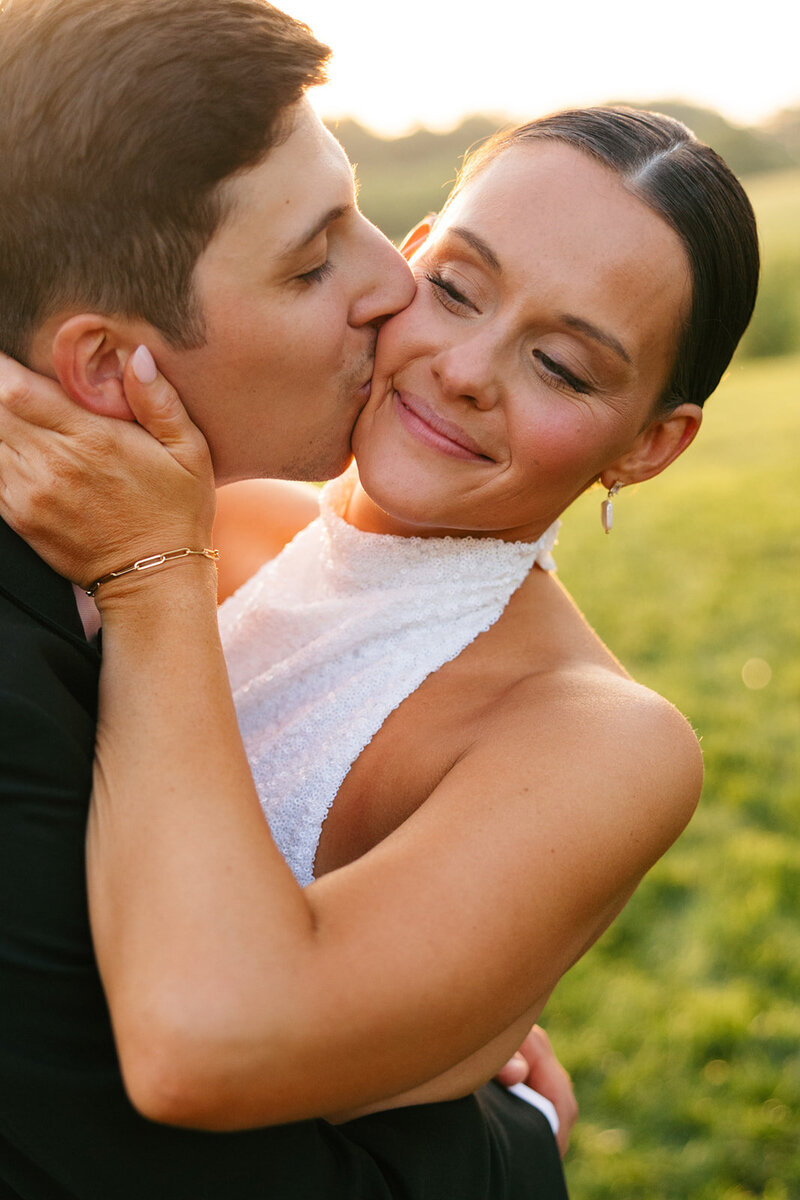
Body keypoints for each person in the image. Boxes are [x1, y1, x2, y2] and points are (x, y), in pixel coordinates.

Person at [0, 21, 759, 1175]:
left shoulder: (599, 740)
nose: (466, 368)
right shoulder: (212, 504)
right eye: (454, 288)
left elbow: (205, 1044)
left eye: (560, 366)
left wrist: (152, 581)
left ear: (648, 448)